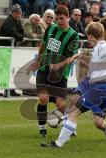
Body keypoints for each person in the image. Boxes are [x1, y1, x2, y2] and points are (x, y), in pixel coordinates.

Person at [27, 6, 79, 137]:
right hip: (44, 69)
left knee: (61, 104)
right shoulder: (50, 28)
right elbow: (43, 45)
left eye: (62, 19)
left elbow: (71, 57)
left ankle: (69, 126)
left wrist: (57, 66)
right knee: (43, 98)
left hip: (60, 73)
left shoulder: (73, 35)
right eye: (57, 19)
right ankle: (42, 129)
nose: (60, 22)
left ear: (68, 18)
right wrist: (38, 60)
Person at [0, 4, 25, 97]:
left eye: (19, 13)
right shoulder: (9, 21)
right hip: (2, 48)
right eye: (16, 13)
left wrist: (19, 37)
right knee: (0, 69)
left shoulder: (17, 21)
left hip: (9, 49)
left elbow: (21, 33)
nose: (18, 15)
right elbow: (11, 33)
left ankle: (10, 89)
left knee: (9, 69)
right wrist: (20, 37)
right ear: (12, 13)